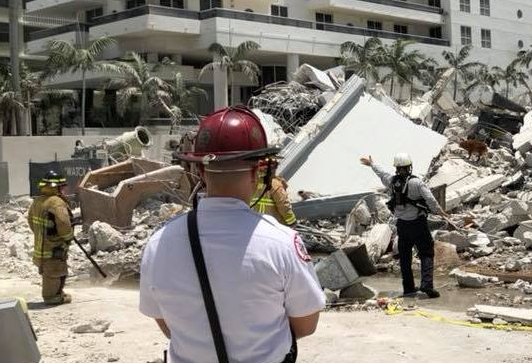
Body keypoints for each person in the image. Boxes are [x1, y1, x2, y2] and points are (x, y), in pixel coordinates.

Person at [140, 106, 325, 363]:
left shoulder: (159, 243)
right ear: (257, 171)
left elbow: (164, 322)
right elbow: (306, 324)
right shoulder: (282, 243)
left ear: (201, 172)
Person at [360, 153, 451, 298]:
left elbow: (381, 173)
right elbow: (430, 200)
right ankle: (427, 286)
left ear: (397, 168)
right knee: (427, 253)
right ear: (409, 167)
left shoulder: (391, 181)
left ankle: (408, 288)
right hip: (418, 224)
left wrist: (372, 164)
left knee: (405, 257)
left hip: (402, 225)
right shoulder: (417, 183)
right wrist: (441, 212)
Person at [28, 170, 74, 305]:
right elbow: (63, 223)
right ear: (56, 187)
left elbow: (31, 221)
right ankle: (52, 297)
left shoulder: (37, 201)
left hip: (41, 245)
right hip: (54, 245)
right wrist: (67, 238)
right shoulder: (56, 202)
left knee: (48, 270)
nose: (64, 190)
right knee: (55, 271)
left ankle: (57, 293)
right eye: (62, 187)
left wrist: (40, 234)